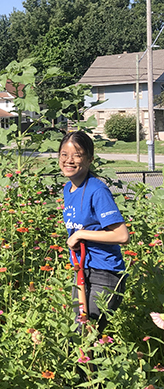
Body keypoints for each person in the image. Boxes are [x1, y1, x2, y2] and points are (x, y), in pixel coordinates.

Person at [59, 130, 129, 333]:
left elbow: (121, 235)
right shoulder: (69, 188)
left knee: (90, 336)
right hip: (81, 271)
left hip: (104, 273)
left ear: (89, 159)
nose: (69, 160)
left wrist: (80, 235)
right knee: (78, 335)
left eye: (77, 155)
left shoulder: (97, 191)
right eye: (64, 154)